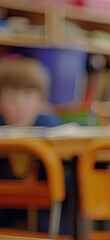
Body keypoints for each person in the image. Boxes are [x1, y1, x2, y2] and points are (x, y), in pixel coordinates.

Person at [0, 55, 66, 233]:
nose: (19, 104)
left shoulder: (52, 127)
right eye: (11, 96)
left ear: (41, 101)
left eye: (28, 95)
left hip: (47, 215)